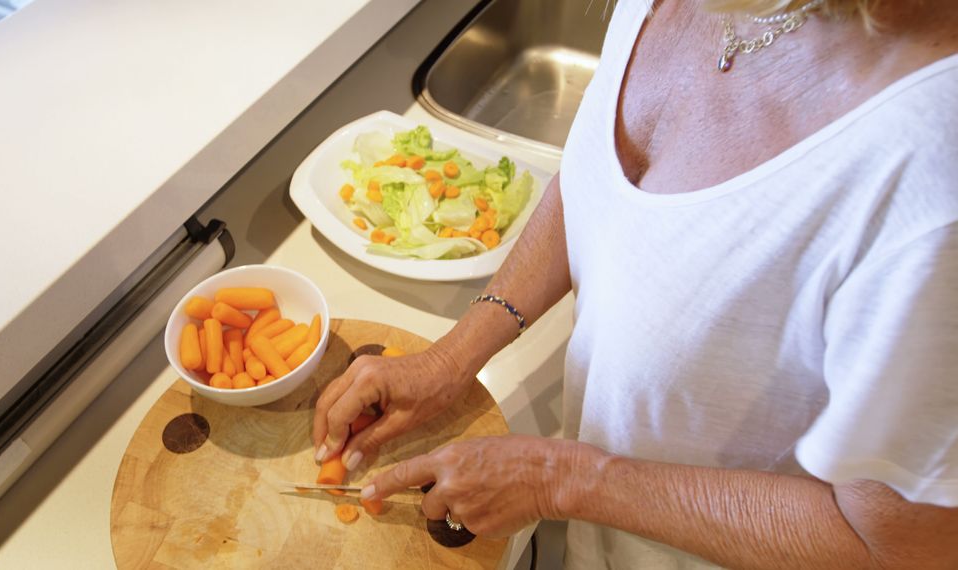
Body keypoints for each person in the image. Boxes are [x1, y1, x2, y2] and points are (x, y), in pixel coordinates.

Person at [313, 0, 958, 567]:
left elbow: (901, 549)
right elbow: (600, 181)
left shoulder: (931, 175)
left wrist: (561, 481)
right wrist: (454, 358)